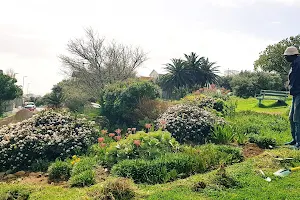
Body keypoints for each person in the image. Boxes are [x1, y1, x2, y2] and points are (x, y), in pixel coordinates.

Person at [284, 46, 300, 148]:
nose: (285, 58)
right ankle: (294, 139)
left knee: (297, 118)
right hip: (295, 93)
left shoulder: (299, 64)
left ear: (293, 55)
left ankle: (299, 142)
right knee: (291, 117)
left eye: (286, 56)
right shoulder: (294, 64)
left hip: (299, 93)